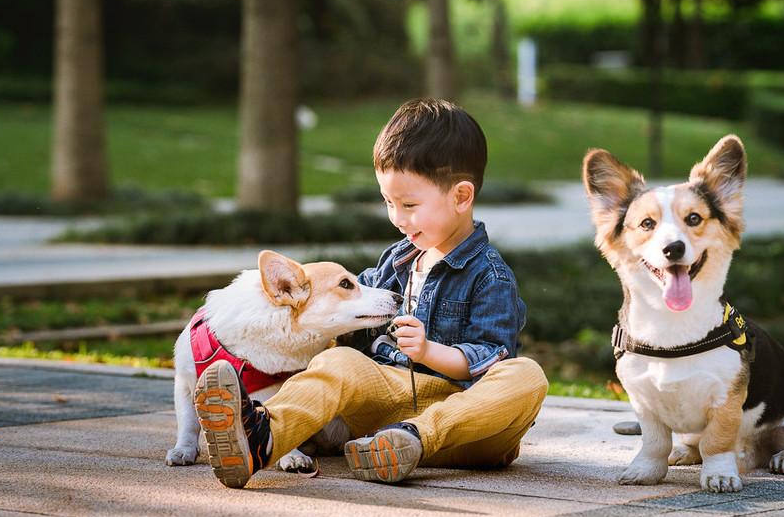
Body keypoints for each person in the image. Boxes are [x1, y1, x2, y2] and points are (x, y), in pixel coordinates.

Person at [193, 97, 549, 488]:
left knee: (525, 375)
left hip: (465, 424)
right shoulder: (395, 260)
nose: (397, 218)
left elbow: (490, 357)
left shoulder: (490, 276)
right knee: (340, 361)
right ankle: (262, 437)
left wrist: (429, 351)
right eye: (388, 203)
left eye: (409, 204)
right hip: (385, 405)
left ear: (461, 197)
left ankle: (411, 440)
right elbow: (343, 313)